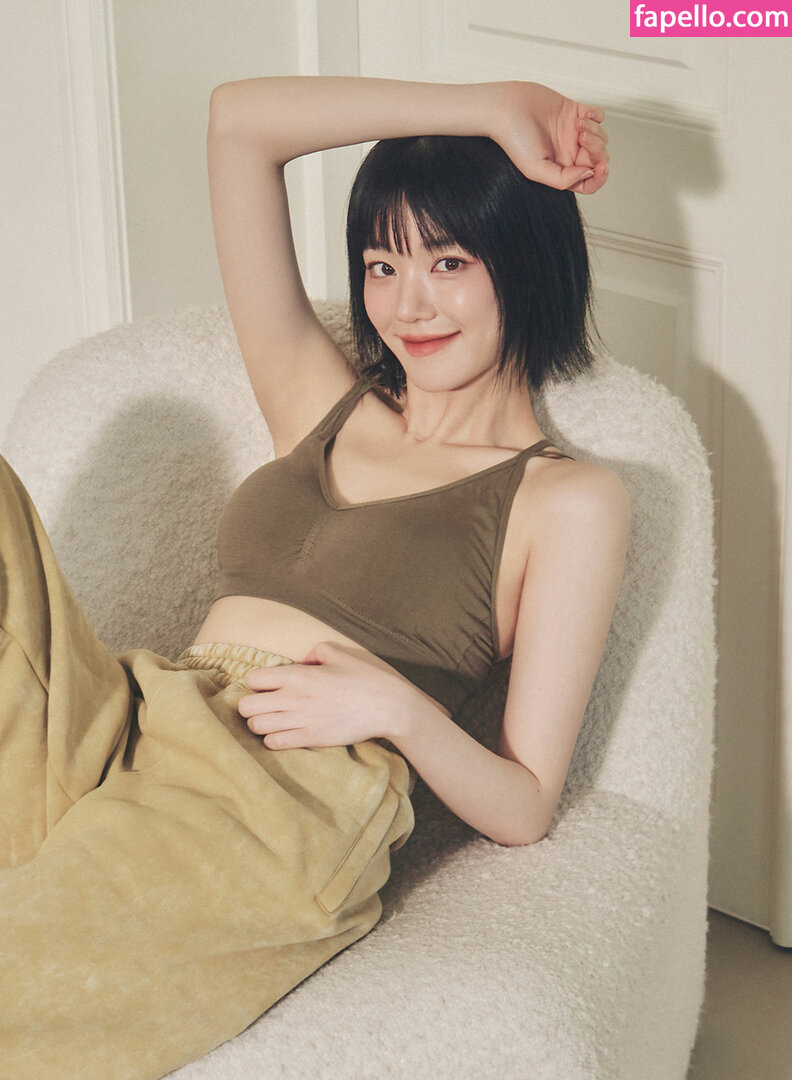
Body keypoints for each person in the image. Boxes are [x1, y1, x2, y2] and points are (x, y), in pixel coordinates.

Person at [0, 77, 629, 1079]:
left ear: (525, 261)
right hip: (137, 719)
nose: (407, 303)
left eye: (449, 261)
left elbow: (524, 805)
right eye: (382, 264)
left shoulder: (568, 500)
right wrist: (491, 106)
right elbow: (238, 123)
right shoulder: (323, 404)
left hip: (275, 799)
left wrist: (400, 710)